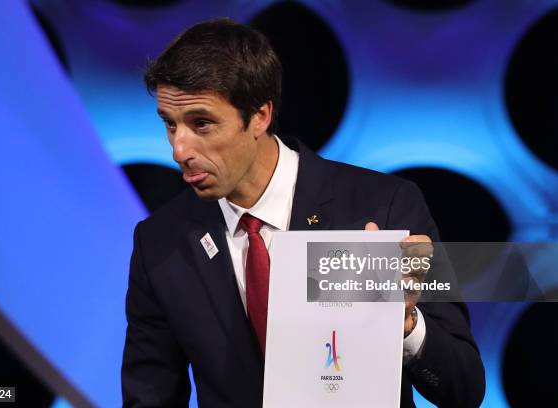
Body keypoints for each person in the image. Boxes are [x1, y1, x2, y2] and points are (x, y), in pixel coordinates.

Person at [121, 18, 485, 408]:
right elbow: (150, 396)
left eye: (202, 124)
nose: (180, 150)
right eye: (170, 125)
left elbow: (463, 389)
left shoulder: (384, 204)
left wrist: (405, 325)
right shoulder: (160, 241)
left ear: (260, 115)